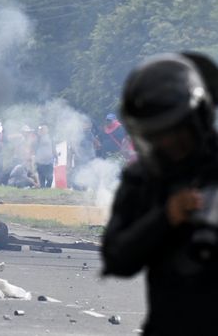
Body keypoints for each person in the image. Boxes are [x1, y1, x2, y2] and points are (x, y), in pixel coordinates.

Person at [103, 52, 218, 334]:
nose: (166, 144)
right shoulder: (143, 178)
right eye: (155, 135)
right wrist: (166, 217)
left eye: (175, 133)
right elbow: (118, 258)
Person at [35, 124, 56, 188]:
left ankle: (47, 188)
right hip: (40, 161)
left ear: (47, 130)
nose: (43, 130)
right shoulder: (38, 138)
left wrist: (56, 157)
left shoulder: (50, 138)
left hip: (49, 161)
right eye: (42, 129)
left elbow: (53, 148)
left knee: (50, 177)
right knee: (41, 177)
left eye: (44, 129)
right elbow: (34, 147)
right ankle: (43, 189)